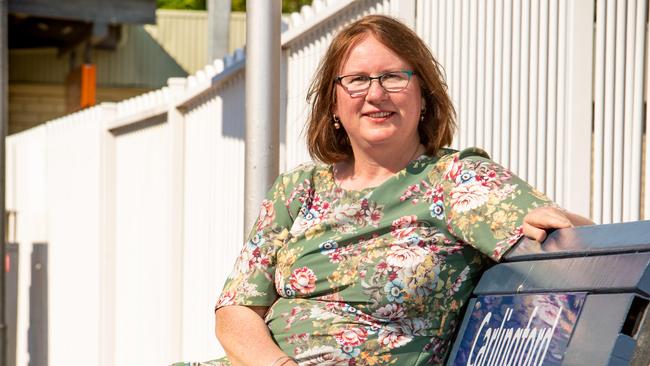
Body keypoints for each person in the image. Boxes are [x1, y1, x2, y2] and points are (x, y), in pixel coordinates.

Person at [209, 14, 593, 366]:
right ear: (333, 104)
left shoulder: (457, 180)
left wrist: (562, 224)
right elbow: (237, 309)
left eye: (394, 77)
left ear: (424, 96)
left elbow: (578, 240)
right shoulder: (297, 189)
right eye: (357, 80)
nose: (376, 94)